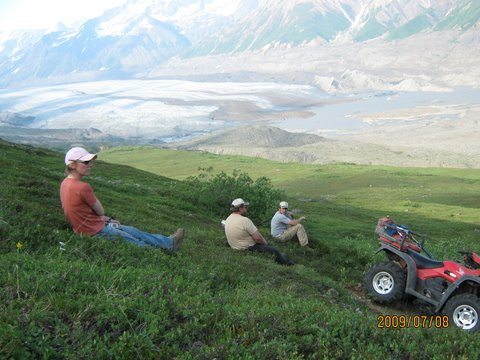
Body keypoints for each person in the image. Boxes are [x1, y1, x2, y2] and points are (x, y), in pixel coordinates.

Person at [60, 147, 184, 250]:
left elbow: (81, 212)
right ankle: (161, 255)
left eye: (90, 162)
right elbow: (100, 211)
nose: (91, 165)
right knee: (133, 241)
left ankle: (169, 242)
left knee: (133, 231)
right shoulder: (83, 187)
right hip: (94, 231)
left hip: (89, 227)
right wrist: (103, 219)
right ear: (73, 165)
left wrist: (106, 220)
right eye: (86, 162)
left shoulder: (65, 183)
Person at [224, 198, 293, 265]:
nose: (246, 209)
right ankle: (287, 263)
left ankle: (282, 256)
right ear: (240, 208)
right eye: (245, 207)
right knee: (274, 250)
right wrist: (266, 244)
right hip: (247, 248)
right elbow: (258, 238)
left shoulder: (228, 219)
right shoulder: (245, 220)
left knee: (272, 249)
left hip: (235, 245)